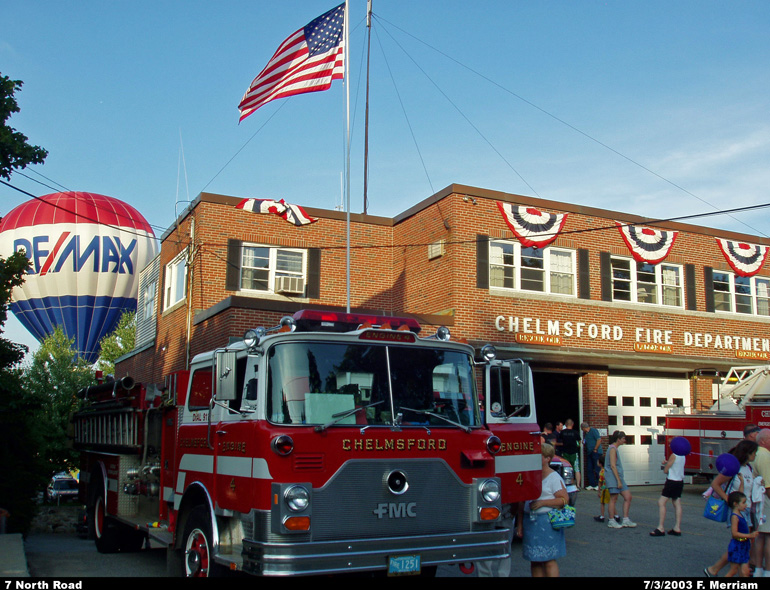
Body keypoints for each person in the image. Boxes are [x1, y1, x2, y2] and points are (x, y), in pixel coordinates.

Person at [704, 439, 758, 577]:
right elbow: (715, 484)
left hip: (747, 509)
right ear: (747, 453)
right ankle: (721, 569)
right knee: (739, 542)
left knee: (742, 543)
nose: (755, 456)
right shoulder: (734, 467)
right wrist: (728, 498)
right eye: (754, 453)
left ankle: (719, 570)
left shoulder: (749, 468)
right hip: (736, 511)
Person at [520, 443, 570, 577]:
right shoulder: (530, 475)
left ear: (548, 458)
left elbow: (564, 499)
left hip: (546, 522)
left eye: (539, 455)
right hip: (530, 521)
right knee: (534, 560)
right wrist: (519, 525)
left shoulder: (554, 477)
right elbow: (521, 501)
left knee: (549, 560)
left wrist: (543, 502)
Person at [650, 450, 686, 536]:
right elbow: (675, 464)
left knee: (661, 502)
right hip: (679, 481)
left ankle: (660, 528)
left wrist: (666, 466)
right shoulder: (683, 455)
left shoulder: (673, 455)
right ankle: (677, 527)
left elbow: (666, 469)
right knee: (677, 502)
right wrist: (667, 461)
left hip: (671, 481)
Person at [604, 430, 636, 528]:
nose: (624, 440)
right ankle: (611, 520)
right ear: (618, 439)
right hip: (613, 478)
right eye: (623, 439)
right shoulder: (612, 449)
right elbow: (613, 466)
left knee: (628, 497)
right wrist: (618, 480)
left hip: (619, 478)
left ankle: (625, 519)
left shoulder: (615, 449)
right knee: (613, 499)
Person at [750, 429, 770, 577]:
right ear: (763, 441)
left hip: (759, 500)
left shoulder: (757, 454)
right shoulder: (765, 456)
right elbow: (768, 484)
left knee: (761, 536)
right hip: (766, 500)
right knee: (768, 536)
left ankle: (758, 569)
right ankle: (767, 570)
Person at [725, 491, 759, 577]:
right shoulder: (735, 517)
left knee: (745, 572)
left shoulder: (741, 514)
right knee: (733, 570)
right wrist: (749, 535)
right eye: (743, 503)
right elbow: (734, 533)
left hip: (744, 545)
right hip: (737, 546)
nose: (746, 505)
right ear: (735, 504)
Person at [560, 419, 581, 487]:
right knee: (576, 469)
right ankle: (578, 485)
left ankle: (566, 484)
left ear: (565, 424)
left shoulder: (562, 432)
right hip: (574, 453)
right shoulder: (575, 432)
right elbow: (579, 443)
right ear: (572, 424)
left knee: (566, 468)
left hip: (565, 453)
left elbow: (559, 442)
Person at [581, 421, 602, 490]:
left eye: (582, 429)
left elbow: (599, 440)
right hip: (589, 452)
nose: (582, 430)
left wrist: (595, 449)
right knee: (589, 468)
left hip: (595, 452)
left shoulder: (593, 431)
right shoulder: (586, 434)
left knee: (596, 468)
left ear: (584, 428)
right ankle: (592, 484)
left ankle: (598, 485)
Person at [593, 454, 610, 522]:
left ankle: (602, 516)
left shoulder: (601, 472)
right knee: (611, 502)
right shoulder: (608, 470)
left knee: (602, 503)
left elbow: (600, 482)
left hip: (605, 489)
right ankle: (616, 515)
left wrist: (599, 490)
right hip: (610, 488)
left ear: (600, 464)